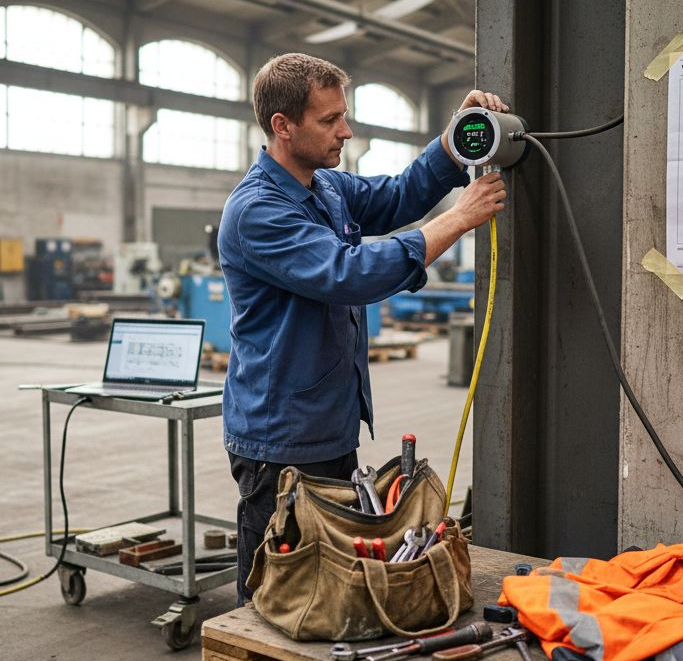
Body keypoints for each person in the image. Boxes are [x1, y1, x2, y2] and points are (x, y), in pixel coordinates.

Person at [218, 52, 508, 609]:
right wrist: (458, 218)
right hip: (280, 442)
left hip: (330, 425)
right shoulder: (257, 211)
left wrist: (454, 142)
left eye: (343, 116)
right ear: (283, 126)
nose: (345, 131)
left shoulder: (325, 187)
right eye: (329, 120)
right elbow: (349, 273)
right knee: (272, 596)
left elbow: (398, 195)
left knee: (330, 586)